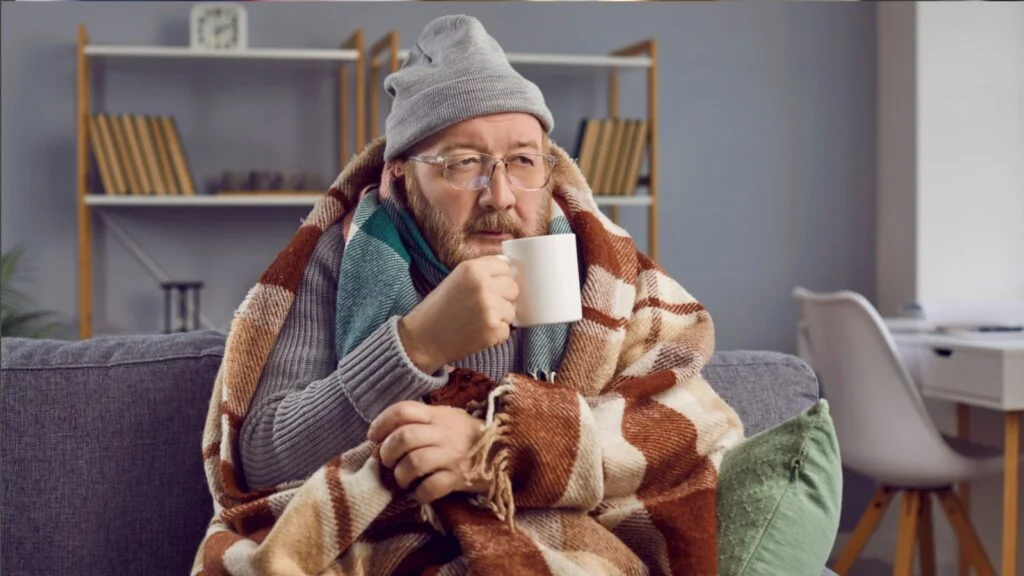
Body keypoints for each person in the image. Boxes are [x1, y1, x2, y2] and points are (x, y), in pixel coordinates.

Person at [196, 14, 742, 575]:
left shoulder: (598, 263)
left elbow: (698, 432)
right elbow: (257, 464)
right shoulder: (338, 259)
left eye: (524, 161)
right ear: (401, 176)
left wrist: (497, 448)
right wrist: (415, 344)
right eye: (464, 164)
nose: (500, 195)